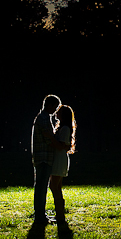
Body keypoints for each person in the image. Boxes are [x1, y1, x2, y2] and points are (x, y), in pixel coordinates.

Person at [31, 95, 68, 225]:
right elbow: (49, 140)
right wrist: (60, 143)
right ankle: (40, 216)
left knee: (41, 186)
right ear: (50, 105)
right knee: (42, 187)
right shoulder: (44, 119)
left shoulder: (42, 118)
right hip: (44, 158)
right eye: (55, 107)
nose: (56, 110)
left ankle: (40, 214)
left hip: (41, 157)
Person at [49, 105, 76, 224]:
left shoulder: (65, 129)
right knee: (56, 186)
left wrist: (50, 138)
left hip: (59, 159)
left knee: (54, 186)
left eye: (58, 111)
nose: (56, 113)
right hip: (59, 159)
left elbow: (62, 146)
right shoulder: (64, 128)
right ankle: (60, 214)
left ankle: (60, 214)